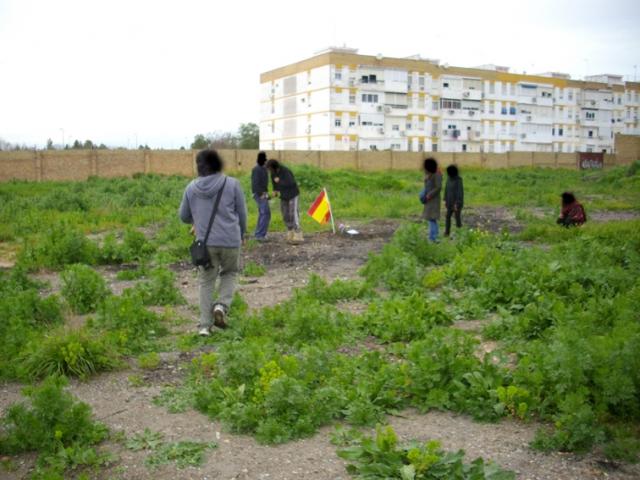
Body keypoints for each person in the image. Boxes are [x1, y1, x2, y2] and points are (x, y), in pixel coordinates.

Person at [178, 149, 247, 336]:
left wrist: (197, 219)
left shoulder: (191, 188)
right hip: (231, 240)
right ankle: (221, 305)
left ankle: (204, 326)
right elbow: (242, 214)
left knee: (206, 281)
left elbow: (183, 216)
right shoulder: (232, 184)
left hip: (206, 243)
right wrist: (242, 233)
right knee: (230, 273)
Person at [265, 159, 303, 243]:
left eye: (269, 168)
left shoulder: (285, 171)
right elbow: (275, 185)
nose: (269, 171)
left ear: (274, 167)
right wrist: (274, 192)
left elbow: (291, 183)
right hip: (284, 196)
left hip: (293, 194)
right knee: (285, 213)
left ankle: (298, 234)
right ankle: (290, 232)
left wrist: (280, 181)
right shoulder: (273, 173)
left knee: (293, 213)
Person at [252, 152, 271, 241]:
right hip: (259, 194)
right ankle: (260, 235)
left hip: (262, 193)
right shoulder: (257, 169)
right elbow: (255, 183)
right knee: (265, 213)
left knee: (263, 213)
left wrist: (266, 194)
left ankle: (258, 233)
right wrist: (261, 194)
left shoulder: (263, 169)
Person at [422, 157, 442, 242]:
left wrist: (429, 195)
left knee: (432, 218)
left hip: (434, 199)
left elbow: (438, 187)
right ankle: (434, 237)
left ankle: (433, 238)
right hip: (429, 199)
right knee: (431, 218)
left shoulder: (437, 174)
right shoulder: (430, 173)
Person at [444, 164, 464, 237]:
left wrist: (457, 204)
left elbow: (460, 192)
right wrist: (445, 200)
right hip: (449, 202)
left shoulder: (459, 180)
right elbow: (446, 189)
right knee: (447, 217)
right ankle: (447, 232)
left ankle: (460, 233)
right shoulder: (448, 179)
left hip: (456, 204)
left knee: (457, 218)